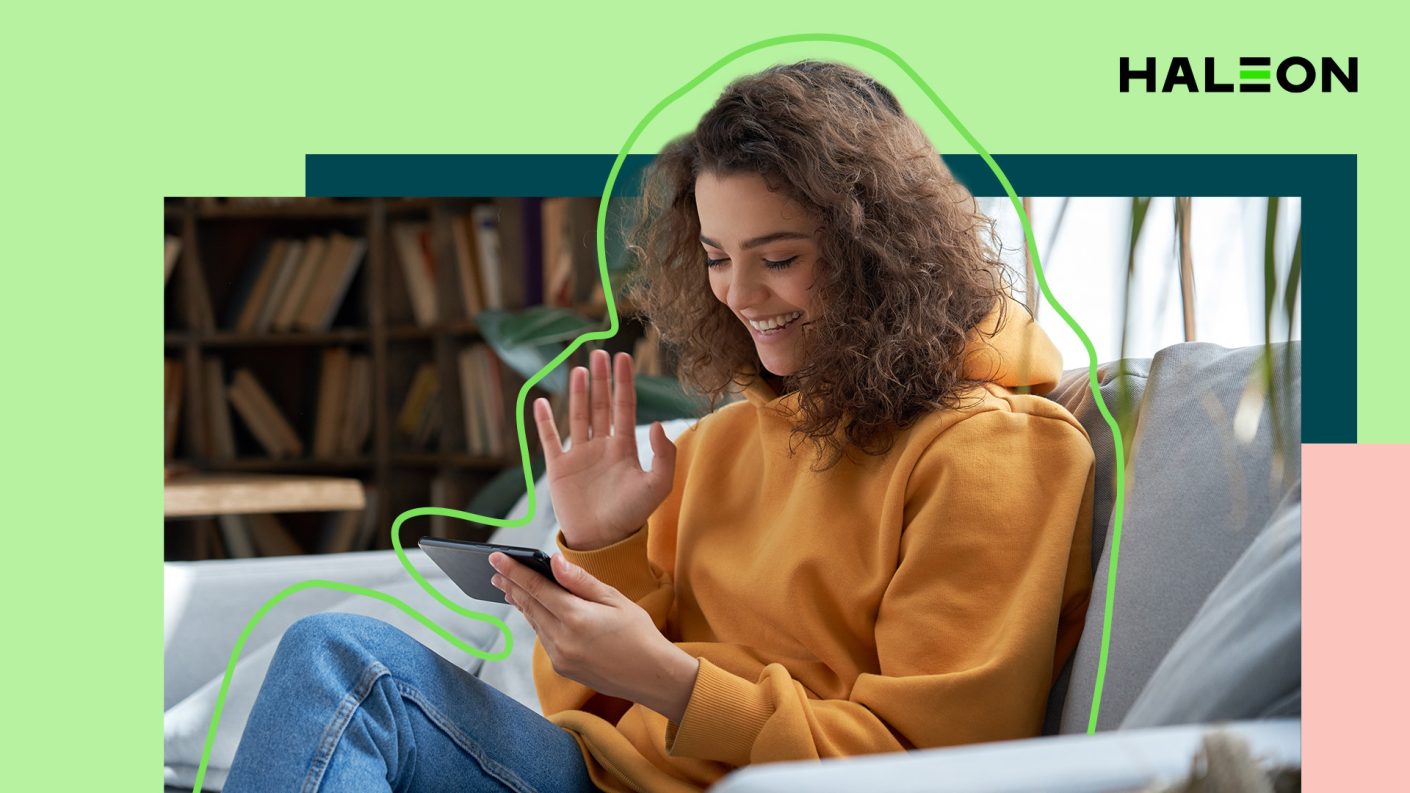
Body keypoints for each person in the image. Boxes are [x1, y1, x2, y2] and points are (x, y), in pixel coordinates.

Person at [224, 59, 1095, 793]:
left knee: (347, 666)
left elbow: (938, 766)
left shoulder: (996, 450)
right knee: (338, 660)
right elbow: (588, 716)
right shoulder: (719, 444)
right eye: (717, 259)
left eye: (780, 258)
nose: (741, 298)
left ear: (886, 245)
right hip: (611, 778)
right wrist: (607, 545)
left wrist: (672, 681)